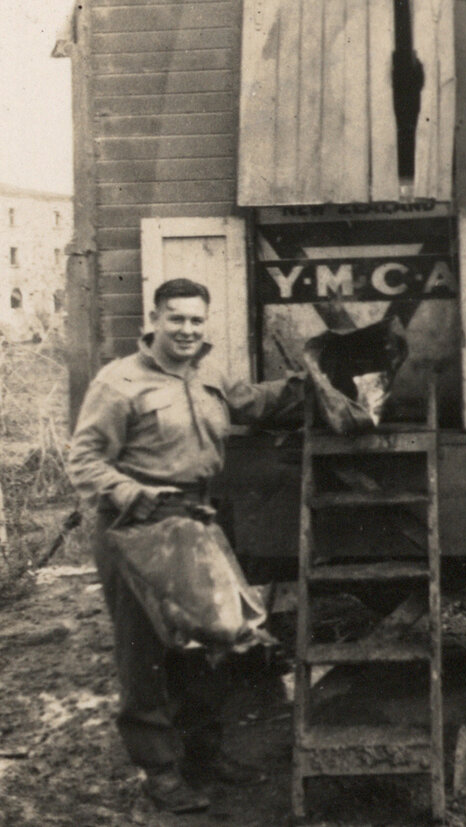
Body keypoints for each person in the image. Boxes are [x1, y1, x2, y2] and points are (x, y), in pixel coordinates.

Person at [67, 278, 304, 814]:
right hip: (136, 527)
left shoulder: (208, 373)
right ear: (153, 320)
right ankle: (160, 771)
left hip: (196, 521)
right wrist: (131, 493)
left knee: (208, 644)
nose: (187, 329)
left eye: (196, 319)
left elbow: (251, 402)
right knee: (144, 654)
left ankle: (204, 756)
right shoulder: (119, 382)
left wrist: (307, 386)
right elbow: (83, 459)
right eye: (176, 318)